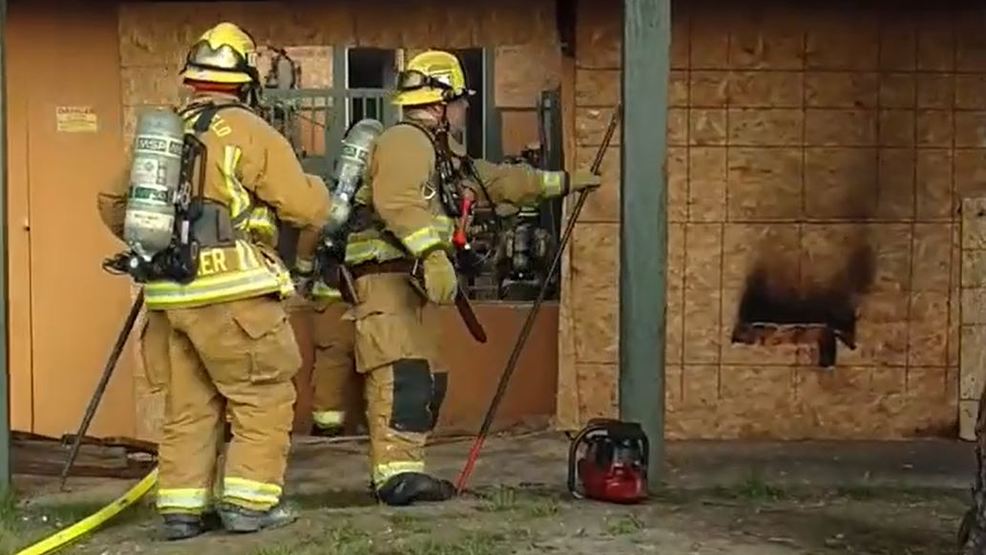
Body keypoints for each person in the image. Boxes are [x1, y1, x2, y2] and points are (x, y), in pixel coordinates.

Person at [96, 22, 331, 539]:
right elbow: (304, 207)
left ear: (192, 79)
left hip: (170, 295)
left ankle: (181, 510)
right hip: (234, 297)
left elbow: (113, 205)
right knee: (262, 396)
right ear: (247, 82)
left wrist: (158, 243)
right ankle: (249, 504)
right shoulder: (249, 131)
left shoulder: (167, 131)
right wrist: (320, 189)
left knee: (189, 406)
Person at [341, 49, 601, 506]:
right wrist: (435, 254)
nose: (464, 110)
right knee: (403, 376)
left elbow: (492, 182)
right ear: (440, 102)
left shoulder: (439, 151)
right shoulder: (405, 141)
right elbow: (399, 202)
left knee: (426, 380)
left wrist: (559, 183)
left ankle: (405, 468)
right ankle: (395, 476)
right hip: (390, 280)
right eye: (459, 102)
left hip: (414, 285)